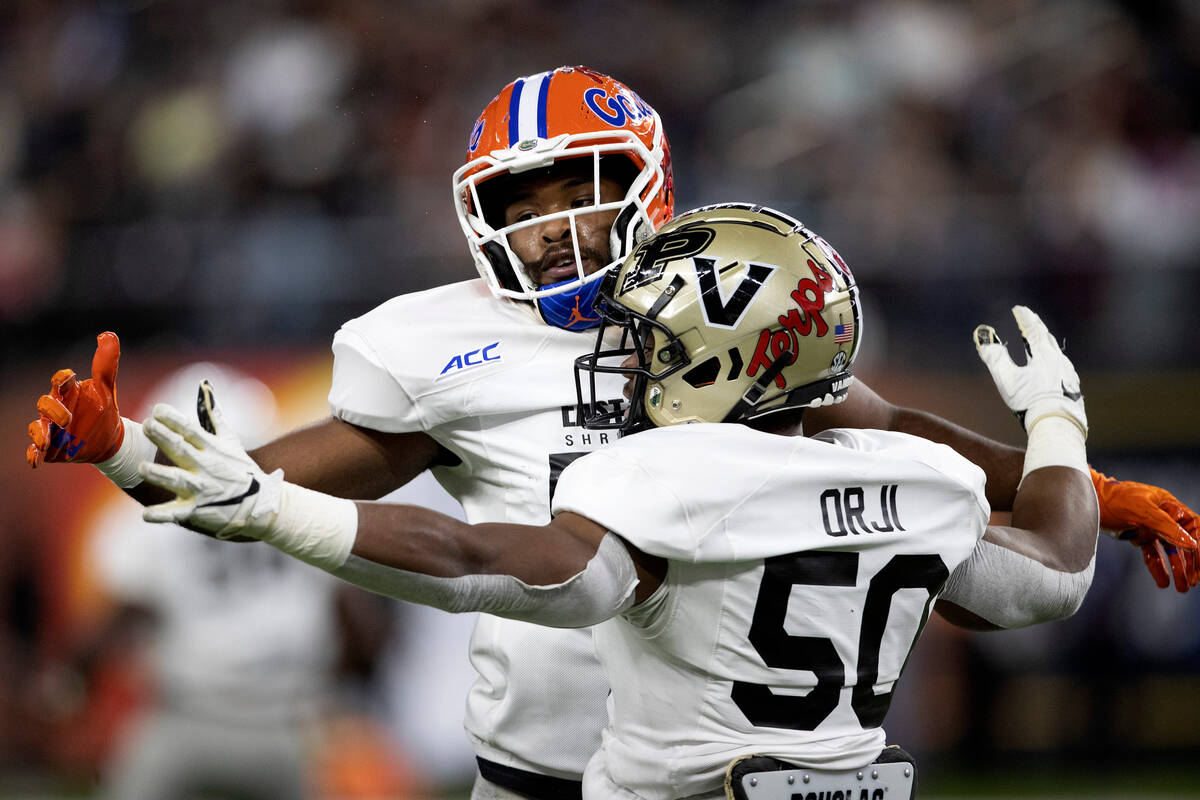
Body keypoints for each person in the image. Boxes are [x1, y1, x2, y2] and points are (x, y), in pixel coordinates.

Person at [24, 67, 1198, 799]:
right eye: (520, 206)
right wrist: (130, 452)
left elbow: (884, 422)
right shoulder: (434, 344)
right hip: (546, 749)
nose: (550, 228)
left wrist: (1084, 475)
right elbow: (247, 483)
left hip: (713, 745)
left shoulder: (715, 308)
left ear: (647, 179)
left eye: (575, 185)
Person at [134, 203, 1100, 799]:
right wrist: (1057, 423)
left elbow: (480, 564)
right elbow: (1051, 574)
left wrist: (270, 507)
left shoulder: (657, 479)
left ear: (726, 359)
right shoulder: (920, 482)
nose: (636, 370)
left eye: (661, 346)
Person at [65, 362, 401, 800]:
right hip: (289, 718)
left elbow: (123, 616)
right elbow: (356, 622)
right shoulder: (301, 498)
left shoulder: (136, 516)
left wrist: (69, 682)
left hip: (187, 716)